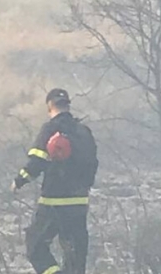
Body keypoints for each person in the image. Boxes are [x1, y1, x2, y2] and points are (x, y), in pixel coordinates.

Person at [11, 88, 99, 274]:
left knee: (35, 245)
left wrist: (19, 180)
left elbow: (37, 162)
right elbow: (93, 164)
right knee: (75, 255)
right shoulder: (84, 132)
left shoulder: (50, 129)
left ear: (49, 106)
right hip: (79, 203)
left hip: (54, 202)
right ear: (68, 105)